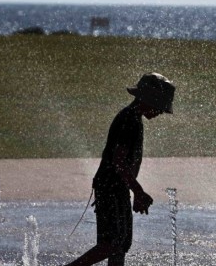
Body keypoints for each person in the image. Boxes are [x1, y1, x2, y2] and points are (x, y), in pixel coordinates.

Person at [65, 73, 175, 266]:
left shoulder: (134, 118)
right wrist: (138, 191)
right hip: (111, 186)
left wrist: (132, 190)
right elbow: (118, 161)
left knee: (121, 243)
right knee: (111, 244)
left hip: (117, 186)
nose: (160, 112)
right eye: (160, 106)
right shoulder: (129, 120)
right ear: (149, 98)